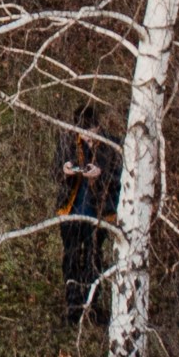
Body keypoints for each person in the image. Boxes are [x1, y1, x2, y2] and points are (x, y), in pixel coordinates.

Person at [55, 112, 123, 326]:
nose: (88, 138)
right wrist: (65, 171)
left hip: (98, 214)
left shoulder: (112, 146)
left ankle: (91, 306)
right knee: (72, 257)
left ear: (98, 127)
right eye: (84, 134)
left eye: (91, 133)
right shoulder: (68, 143)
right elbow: (55, 173)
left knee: (93, 258)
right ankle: (73, 307)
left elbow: (121, 179)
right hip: (71, 211)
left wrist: (100, 175)